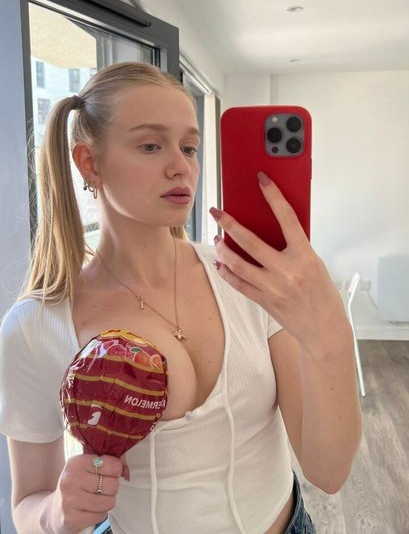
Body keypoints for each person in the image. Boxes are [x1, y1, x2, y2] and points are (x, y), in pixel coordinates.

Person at [0, 61, 362, 534]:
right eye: (151, 145)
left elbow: (328, 472)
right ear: (90, 162)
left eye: (189, 147)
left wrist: (330, 333)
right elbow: (27, 504)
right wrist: (56, 513)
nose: (181, 166)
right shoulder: (37, 326)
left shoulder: (246, 280)